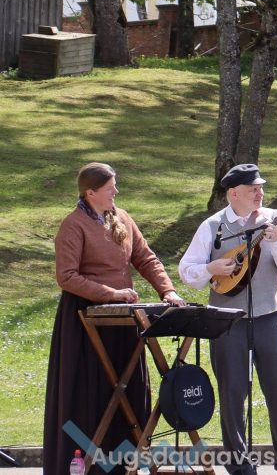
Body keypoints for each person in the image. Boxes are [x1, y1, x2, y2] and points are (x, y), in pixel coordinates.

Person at [44, 162, 186, 475]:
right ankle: (88, 467)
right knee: (91, 393)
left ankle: (125, 465)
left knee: (127, 388)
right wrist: (111, 293)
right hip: (85, 320)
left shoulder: (122, 218)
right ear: (90, 193)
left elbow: (145, 258)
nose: (116, 192)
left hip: (123, 317)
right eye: (110, 188)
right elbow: (66, 276)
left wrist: (168, 291)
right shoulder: (73, 225)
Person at [178, 164, 277, 475]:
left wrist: (276, 240)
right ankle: (239, 465)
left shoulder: (274, 220)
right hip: (227, 321)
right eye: (252, 189)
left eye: (260, 188)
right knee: (232, 392)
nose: (259, 194)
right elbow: (186, 270)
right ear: (233, 194)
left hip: (269, 316)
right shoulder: (212, 226)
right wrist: (210, 269)